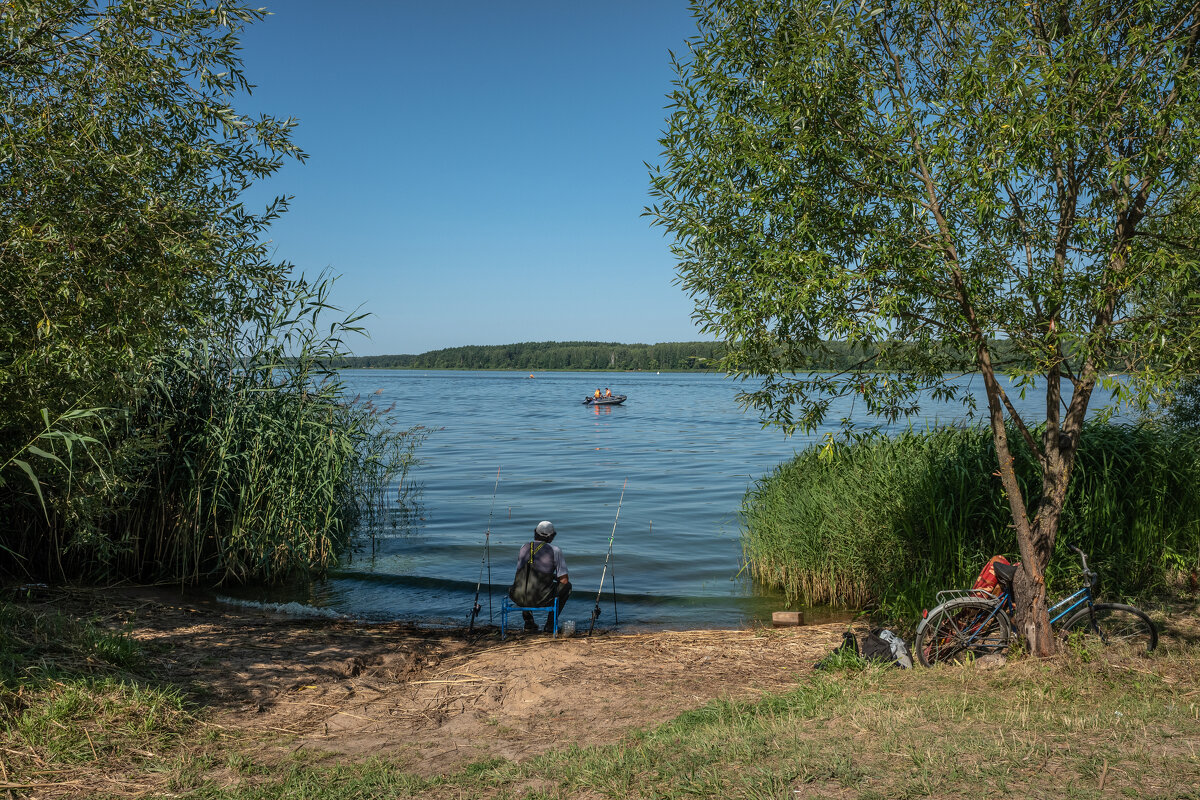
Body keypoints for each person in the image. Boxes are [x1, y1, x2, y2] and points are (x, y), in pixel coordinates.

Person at [509, 521, 571, 633]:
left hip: (517, 596)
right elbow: (564, 580)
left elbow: (525, 573)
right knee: (567, 587)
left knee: (525, 583)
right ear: (551, 537)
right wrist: (552, 577)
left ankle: (529, 623)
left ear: (535, 533)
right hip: (541, 599)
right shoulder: (555, 550)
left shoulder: (523, 547)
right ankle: (550, 625)